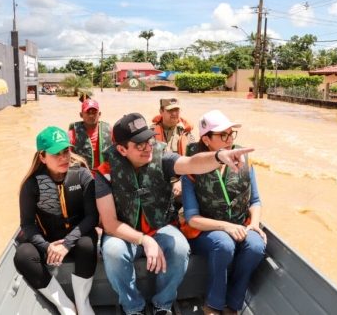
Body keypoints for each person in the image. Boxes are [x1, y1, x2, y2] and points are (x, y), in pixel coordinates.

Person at [95, 113, 254, 315]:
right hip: (124, 232)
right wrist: (145, 240)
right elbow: (109, 224)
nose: (147, 149)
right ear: (121, 149)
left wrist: (217, 157)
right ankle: (133, 306)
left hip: (160, 226)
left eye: (149, 141)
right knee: (112, 252)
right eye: (139, 145)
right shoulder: (105, 171)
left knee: (179, 247)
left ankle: (163, 304)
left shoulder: (162, 158)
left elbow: (191, 163)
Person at [181, 110, 267, 315]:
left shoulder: (244, 160)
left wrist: (254, 224)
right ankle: (213, 303)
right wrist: (226, 226)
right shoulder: (191, 167)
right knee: (224, 243)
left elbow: (255, 200)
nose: (230, 140)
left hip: (239, 225)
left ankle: (233, 303)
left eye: (231, 134)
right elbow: (192, 219)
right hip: (205, 231)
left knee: (256, 245)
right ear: (207, 140)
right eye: (223, 136)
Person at [14, 126, 99, 315]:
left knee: (87, 244)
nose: (64, 158)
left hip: (78, 236)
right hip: (48, 239)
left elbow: (92, 217)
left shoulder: (83, 176)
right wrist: (47, 247)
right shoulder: (31, 184)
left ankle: (82, 303)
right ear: (42, 157)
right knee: (23, 255)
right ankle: (65, 306)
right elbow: (27, 224)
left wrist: (68, 243)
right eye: (56, 154)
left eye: (66, 151)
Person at [149, 98, 195, 206]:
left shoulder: (187, 134)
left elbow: (193, 162)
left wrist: (181, 182)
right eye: (170, 111)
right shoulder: (149, 133)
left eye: (177, 110)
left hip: (181, 181)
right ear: (161, 112)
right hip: (157, 179)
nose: (174, 114)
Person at [68, 98, 113, 175]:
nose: (91, 115)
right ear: (81, 115)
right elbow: (66, 157)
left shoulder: (110, 131)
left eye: (94, 112)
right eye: (88, 112)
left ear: (99, 114)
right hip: (82, 176)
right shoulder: (72, 134)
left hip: (105, 176)